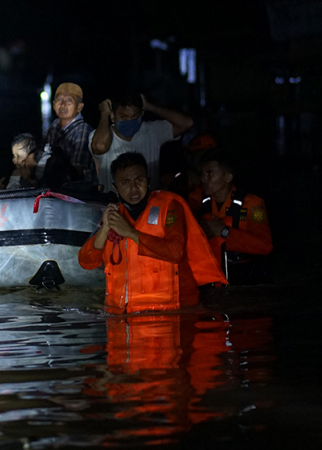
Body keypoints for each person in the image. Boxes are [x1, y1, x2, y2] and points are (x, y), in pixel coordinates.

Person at [78, 152, 226, 314]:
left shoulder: (169, 206)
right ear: (115, 187)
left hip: (169, 311)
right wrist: (106, 228)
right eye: (125, 182)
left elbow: (175, 252)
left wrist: (130, 232)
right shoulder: (114, 214)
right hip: (122, 315)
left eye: (139, 180)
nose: (133, 188)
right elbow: (86, 262)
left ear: (148, 181)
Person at [187, 148, 272, 283]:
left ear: (227, 177)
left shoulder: (251, 204)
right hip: (210, 279)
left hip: (244, 278)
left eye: (210, 174)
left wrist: (224, 231)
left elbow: (265, 246)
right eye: (202, 174)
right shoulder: (196, 200)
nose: (203, 179)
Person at [90, 92, 193, 192]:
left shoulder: (151, 131)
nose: (129, 121)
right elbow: (100, 146)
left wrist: (150, 106)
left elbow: (186, 123)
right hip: (112, 205)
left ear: (141, 114)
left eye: (134, 116)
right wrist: (104, 113)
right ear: (113, 116)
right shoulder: (102, 136)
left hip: (149, 204)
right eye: (124, 117)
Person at [43, 82, 96, 183]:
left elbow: (78, 169)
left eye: (69, 101)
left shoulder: (83, 129)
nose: (63, 105)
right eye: (59, 100)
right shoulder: (54, 125)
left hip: (75, 190)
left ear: (79, 107)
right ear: (54, 104)